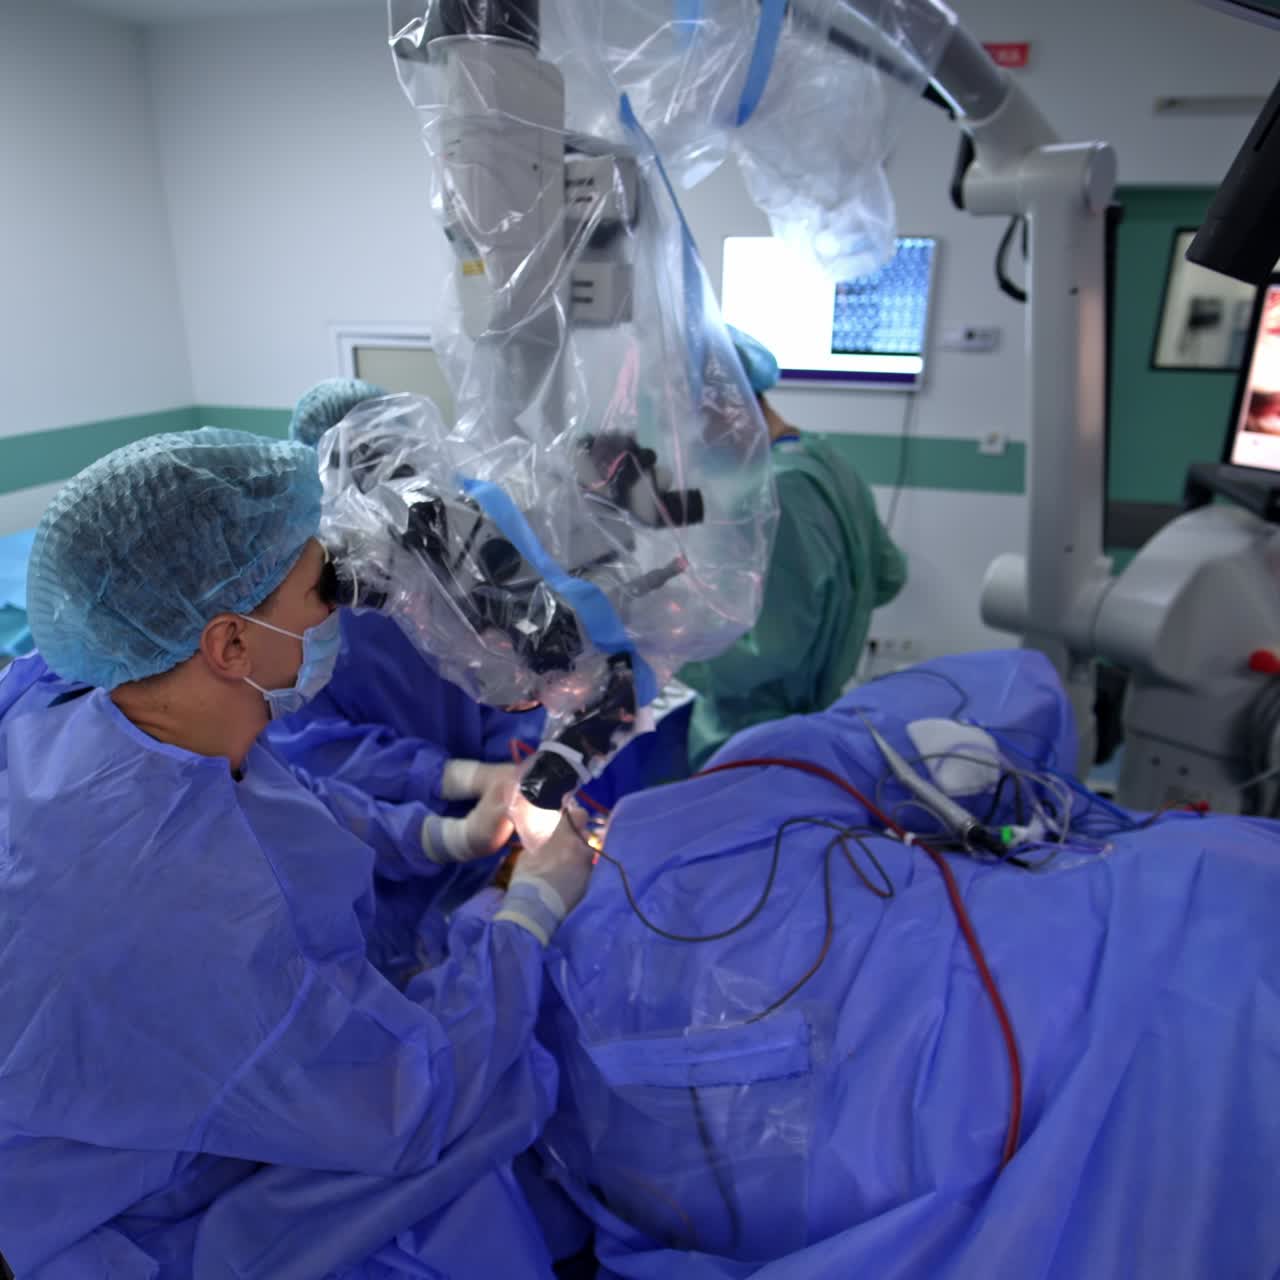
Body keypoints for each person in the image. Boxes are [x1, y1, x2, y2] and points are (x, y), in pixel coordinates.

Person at [0, 428, 593, 1278]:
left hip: (97, 1109)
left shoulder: (80, 707)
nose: (337, 607)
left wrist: (443, 833)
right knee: (475, 1181)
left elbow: (280, 803)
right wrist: (528, 909)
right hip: (128, 1211)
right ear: (230, 644)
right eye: (319, 584)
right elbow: (404, 1102)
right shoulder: (199, 920)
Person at [267, 378, 548, 981]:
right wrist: (455, 783)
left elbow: (518, 676)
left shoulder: (469, 547)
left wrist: (523, 768)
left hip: (486, 836)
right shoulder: (310, 594)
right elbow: (313, 748)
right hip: (375, 852)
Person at [680, 326, 907, 769]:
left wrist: (666, 656)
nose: (692, 445)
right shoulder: (825, 458)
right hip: (817, 713)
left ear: (725, 410)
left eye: (693, 427)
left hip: (757, 737)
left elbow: (767, 654)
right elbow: (889, 576)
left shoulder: (780, 492)